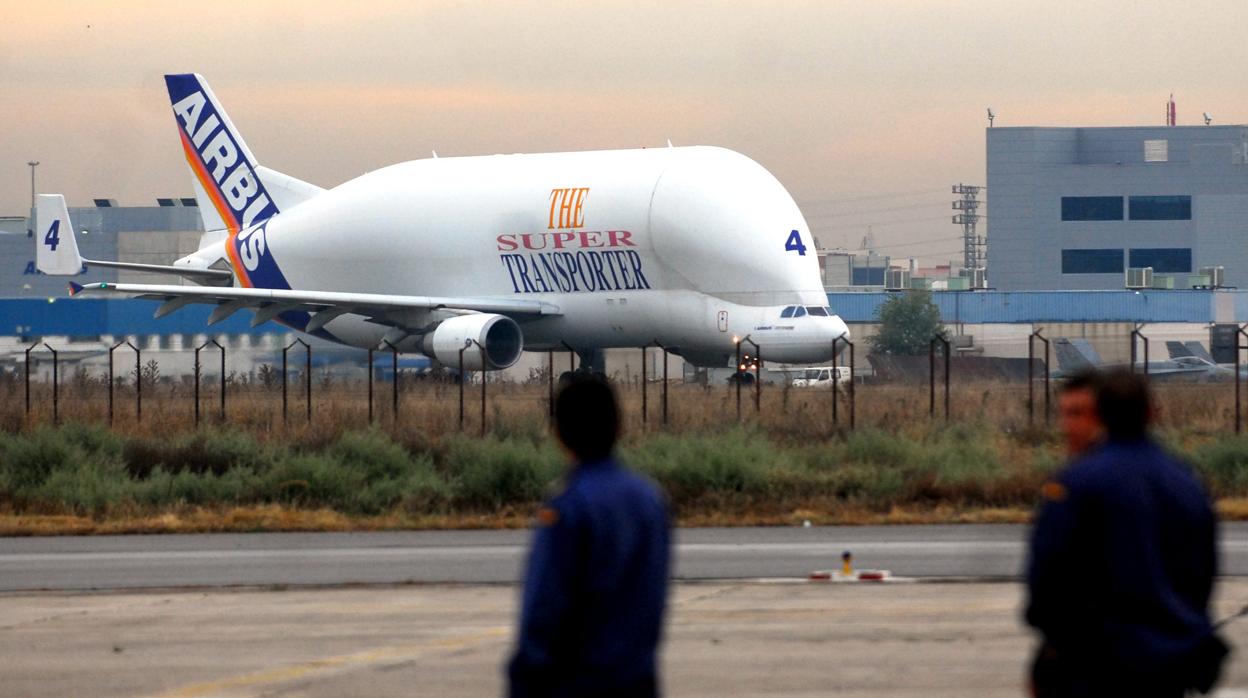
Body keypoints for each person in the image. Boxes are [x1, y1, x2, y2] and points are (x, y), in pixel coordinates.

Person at [1026, 369, 1226, 697]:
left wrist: (1051, 648)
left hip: (1096, 666)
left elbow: (1048, 573)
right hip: (1169, 665)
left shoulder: (1078, 482)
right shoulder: (1187, 482)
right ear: (1152, 413)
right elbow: (1203, 574)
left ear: (1100, 413)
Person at [508, 374, 671, 697]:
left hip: (578, 680)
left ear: (558, 435)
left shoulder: (569, 506)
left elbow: (545, 604)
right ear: (620, 428)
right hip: (638, 676)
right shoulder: (651, 500)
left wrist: (524, 676)